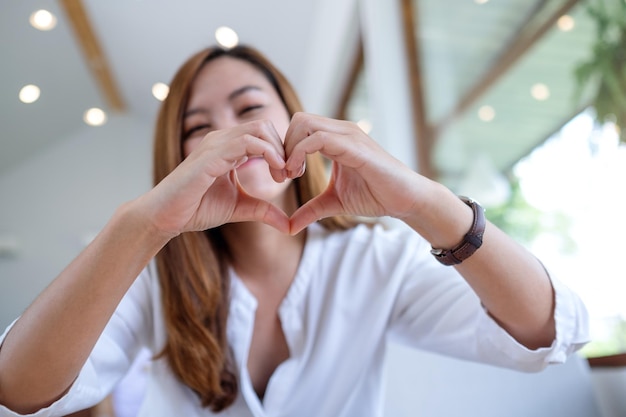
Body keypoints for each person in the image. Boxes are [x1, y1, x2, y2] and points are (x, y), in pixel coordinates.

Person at [0, 44, 589, 417]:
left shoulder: (373, 260)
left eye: (248, 107)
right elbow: (17, 392)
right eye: (198, 127)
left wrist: (425, 202)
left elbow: (551, 331)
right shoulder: (152, 277)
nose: (226, 136)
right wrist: (142, 224)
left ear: (295, 121)